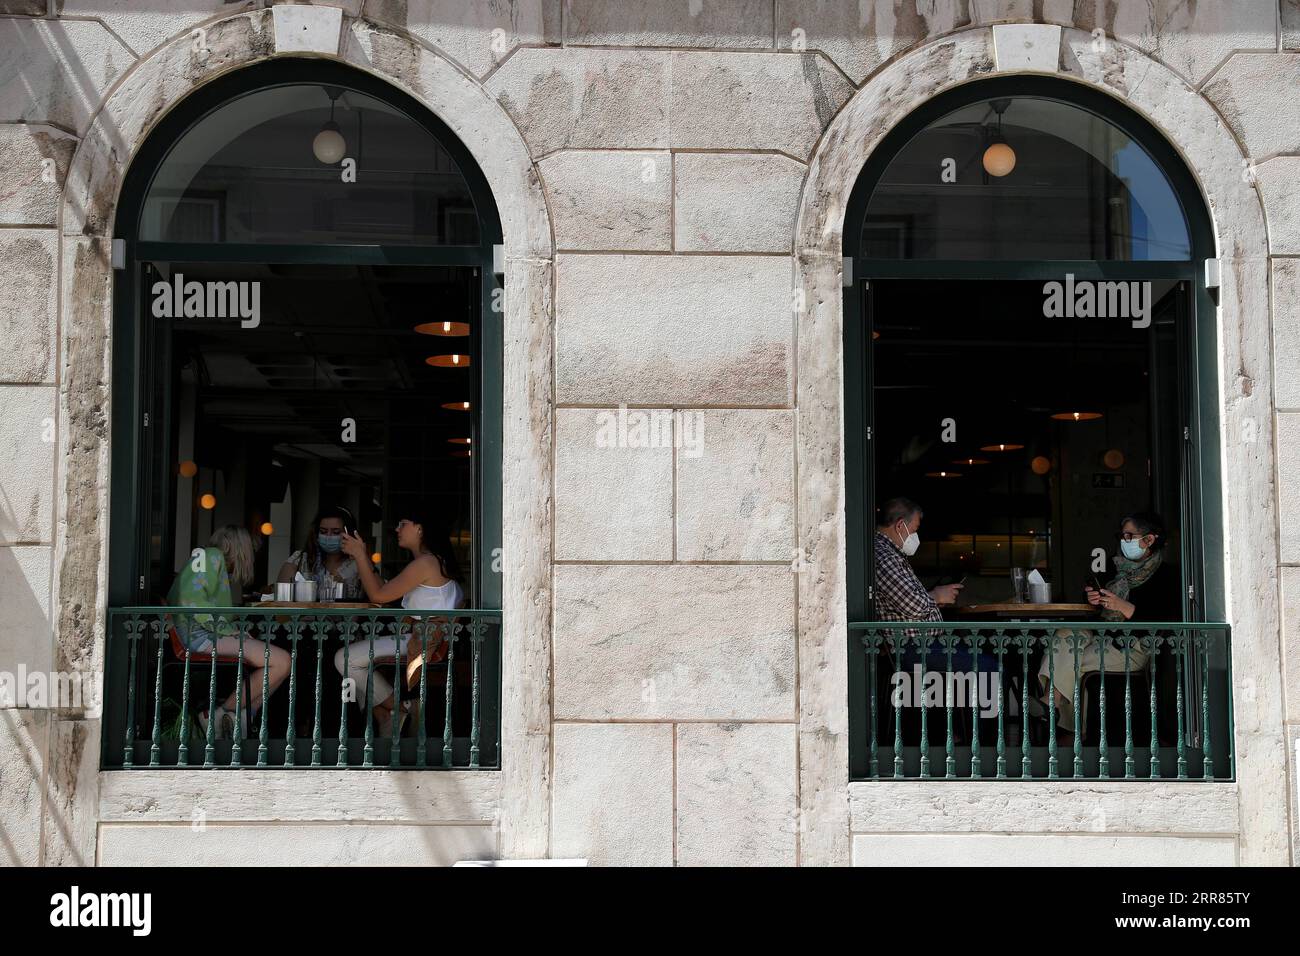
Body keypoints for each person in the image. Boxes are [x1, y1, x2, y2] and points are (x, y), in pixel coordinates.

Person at [1038, 511, 1181, 732]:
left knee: (1070, 663)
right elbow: (1097, 608)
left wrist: (1121, 605)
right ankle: (1053, 709)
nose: (1123, 542)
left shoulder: (1167, 576)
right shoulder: (1116, 568)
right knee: (1065, 635)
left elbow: (1161, 621)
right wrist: (1093, 599)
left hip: (1132, 646)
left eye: (1128, 536)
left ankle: (1053, 710)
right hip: (1100, 635)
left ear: (1149, 539)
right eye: (1122, 536)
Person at [335, 511, 464, 736]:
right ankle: (386, 716)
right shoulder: (430, 561)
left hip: (423, 639)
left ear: (420, 529)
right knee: (357, 662)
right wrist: (363, 557)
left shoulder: (426, 563)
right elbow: (384, 589)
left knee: (344, 658)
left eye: (403, 523)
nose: (397, 529)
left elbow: (377, 595)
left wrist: (359, 555)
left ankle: (403, 706)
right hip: (423, 637)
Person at [167, 524, 291, 739]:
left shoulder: (208, 559)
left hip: (202, 635)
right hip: (201, 638)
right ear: (241, 549)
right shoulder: (211, 557)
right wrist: (228, 630)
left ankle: (240, 718)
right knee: (281, 661)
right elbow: (192, 601)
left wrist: (232, 629)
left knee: (280, 664)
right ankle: (220, 714)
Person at [874, 497, 963, 622]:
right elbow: (914, 606)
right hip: (912, 641)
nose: (915, 536)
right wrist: (937, 596)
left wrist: (932, 600)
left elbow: (905, 599)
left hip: (920, 640)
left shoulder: (890, 553)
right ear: (900, 525)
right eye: (914, 530)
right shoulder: (885, 557)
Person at [276, 506, 363, 600]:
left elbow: (377, 596)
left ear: (348, 533)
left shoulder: (359, 563)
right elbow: (282, 602)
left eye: (336, 532)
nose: (329, 536)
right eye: (323, 531)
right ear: (316, 533)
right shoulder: (299, 559)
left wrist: (360, 554)